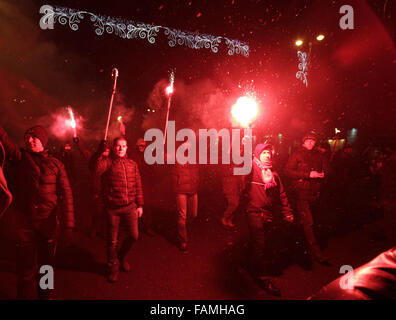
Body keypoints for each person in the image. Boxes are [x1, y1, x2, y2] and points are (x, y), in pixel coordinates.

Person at [0, 125, 74, 299]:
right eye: (27, 137)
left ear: (43, 140)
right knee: (25, 273)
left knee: (46, 268)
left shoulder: (56, 165)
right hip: (25, 226)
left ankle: (45, 296)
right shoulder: (20, 158)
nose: (30, 140)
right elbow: (6, 141)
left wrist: (69, 226)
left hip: (47, 226)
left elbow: (67, 195)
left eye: (34, 137)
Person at [246, 143, 294, 297]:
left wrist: (287, 212)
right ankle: (262, 277)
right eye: (264, 152)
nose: (267, 155)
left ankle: (252, 263)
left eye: (269, 153)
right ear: (257, 154)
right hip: (253, 211)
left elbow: (282, 195)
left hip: (268, 213)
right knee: (260, 243)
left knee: (263, 244)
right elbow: (240, 163)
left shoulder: (274, 174)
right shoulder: (250, 168)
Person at [94, 137, 143, 283]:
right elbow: (96, 171)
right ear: (114, 148)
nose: (121, 148)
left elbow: (138, 185)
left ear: (127, 147)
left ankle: (120, 257)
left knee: (134, 236)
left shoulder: (132, 164)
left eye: (124, 146)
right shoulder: (108, 162)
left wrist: (140, 204)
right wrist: (101, 154)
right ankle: (113, 268)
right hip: (113, 209)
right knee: (112, 242)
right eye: (118, 146)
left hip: (130, 207)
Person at [285, 132, 330, 265]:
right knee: (308, 222)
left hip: (316, 193)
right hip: (301, 193)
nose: (310, 143)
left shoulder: (319, 155)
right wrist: (308, 174)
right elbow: (287, 171)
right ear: (303, 143)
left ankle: (300, 242)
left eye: (312, 141)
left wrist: (324, 173)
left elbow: (329, 170)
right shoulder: (297, 154)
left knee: (311, 222)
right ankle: (317, 253)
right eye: (307, 141)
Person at [172, 142, 199, 253]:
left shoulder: (195, 157)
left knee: (193, 214)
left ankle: (182, 228)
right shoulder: (175, 157)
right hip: (181, 190)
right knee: (182, 216)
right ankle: (183, 241)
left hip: (193, 190)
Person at [131, 138, 155, 236]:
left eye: (144, 145)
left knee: (147, 206)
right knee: (134, 206)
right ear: (137, 146)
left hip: (145, 184)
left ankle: (147, 227)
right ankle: (133, 226)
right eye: (140, 145)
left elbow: (151, 170)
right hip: (135, 184)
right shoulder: (134, 155)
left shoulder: (148, 156)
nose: (142, 147)